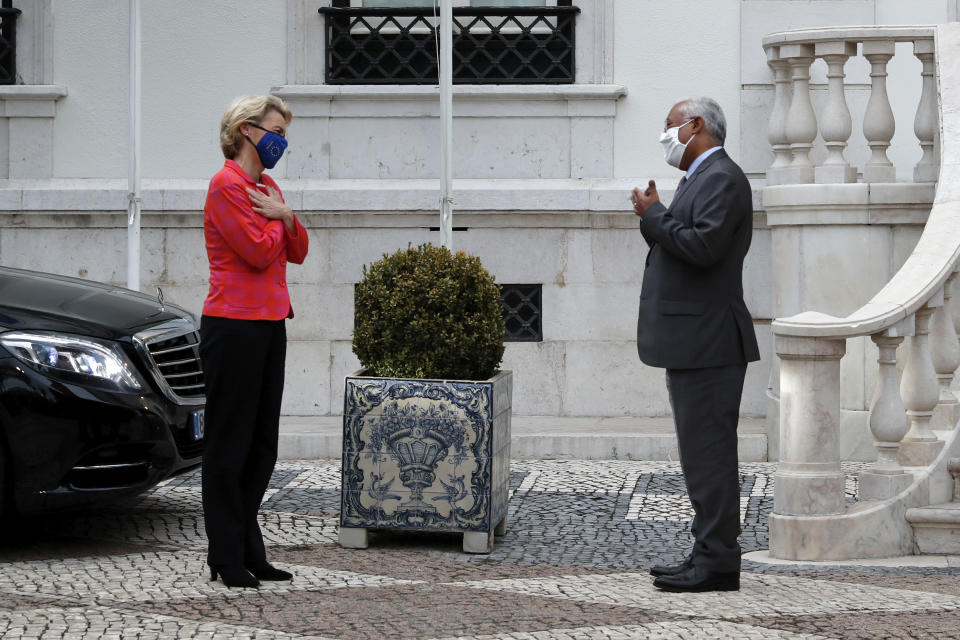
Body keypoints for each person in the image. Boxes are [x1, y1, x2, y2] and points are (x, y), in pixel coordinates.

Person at [630, 97, 759, 593]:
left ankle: (719, 562)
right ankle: (707, 552)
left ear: (696, 126)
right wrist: (658, 218)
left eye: (669, 127)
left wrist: (654, 214)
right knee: (700, 455)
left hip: (710, 341)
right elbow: (685, 244)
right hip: (695, 339)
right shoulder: (703, 178)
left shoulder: (722, 178)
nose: (665, 137)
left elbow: (703, 248)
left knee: (709, 455)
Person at [199, 95, 309, 588]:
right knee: (230, 443)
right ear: (247, 130)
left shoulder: (267, 188)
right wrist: (279, 220)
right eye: (276, 130)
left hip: (269, 323)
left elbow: (299, 249)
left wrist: (283, 215)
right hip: (233, 326)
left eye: (285, 132)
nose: (282, 140)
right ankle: (224, 555)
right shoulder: (226, 186)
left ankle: (247, 547)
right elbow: (260, 253)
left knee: (262, 444)